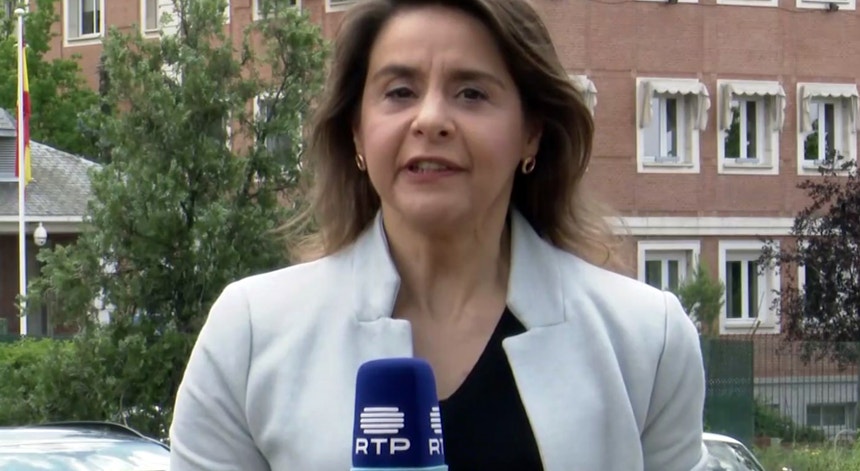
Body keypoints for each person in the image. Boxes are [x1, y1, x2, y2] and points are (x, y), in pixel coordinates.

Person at [169, 0, 709, 469]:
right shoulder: (252, 335)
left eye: (471, 93)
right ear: (357, 132)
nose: (431, 119)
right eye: (400, 92)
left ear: (531, 133)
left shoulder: (646, 341)